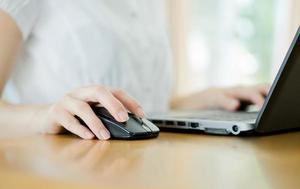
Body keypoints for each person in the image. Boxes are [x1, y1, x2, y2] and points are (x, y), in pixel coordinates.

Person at [0, 1, 269, 140]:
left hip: (148, 169)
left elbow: (142, 107)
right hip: (64, 176)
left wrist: (206, 101)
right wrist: (43, 116)